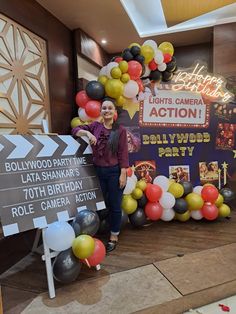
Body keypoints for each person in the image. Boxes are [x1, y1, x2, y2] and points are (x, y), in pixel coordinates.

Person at [72, 99, 129, 253]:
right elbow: (75, 130)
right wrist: (88, 132)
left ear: (114, 112)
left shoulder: (120, 130)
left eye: (110, 108)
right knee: (97, 204)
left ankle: (114, 236)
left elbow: (123, 153)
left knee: (115, 205)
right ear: (101, 111)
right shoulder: (94, 126)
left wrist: (123, 174)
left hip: (115, 172)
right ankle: (94, 233)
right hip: (98, 172)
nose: (107, 111)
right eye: (104, 108)